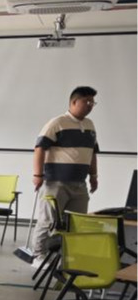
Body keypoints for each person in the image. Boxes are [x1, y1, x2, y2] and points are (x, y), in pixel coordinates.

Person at [29, 86, 99, 267]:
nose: (90, 105)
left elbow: (92, 153)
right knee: (48, 221)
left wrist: (94, 176)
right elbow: (39, 148)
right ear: (74, 102)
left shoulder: (90, 125)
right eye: (87, 101)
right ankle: (38, 256)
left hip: (80, 184)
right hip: (55, 182)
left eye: (93, 102)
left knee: (76, 222)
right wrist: (38, 174)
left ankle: (67, 257)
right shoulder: (57, 123)